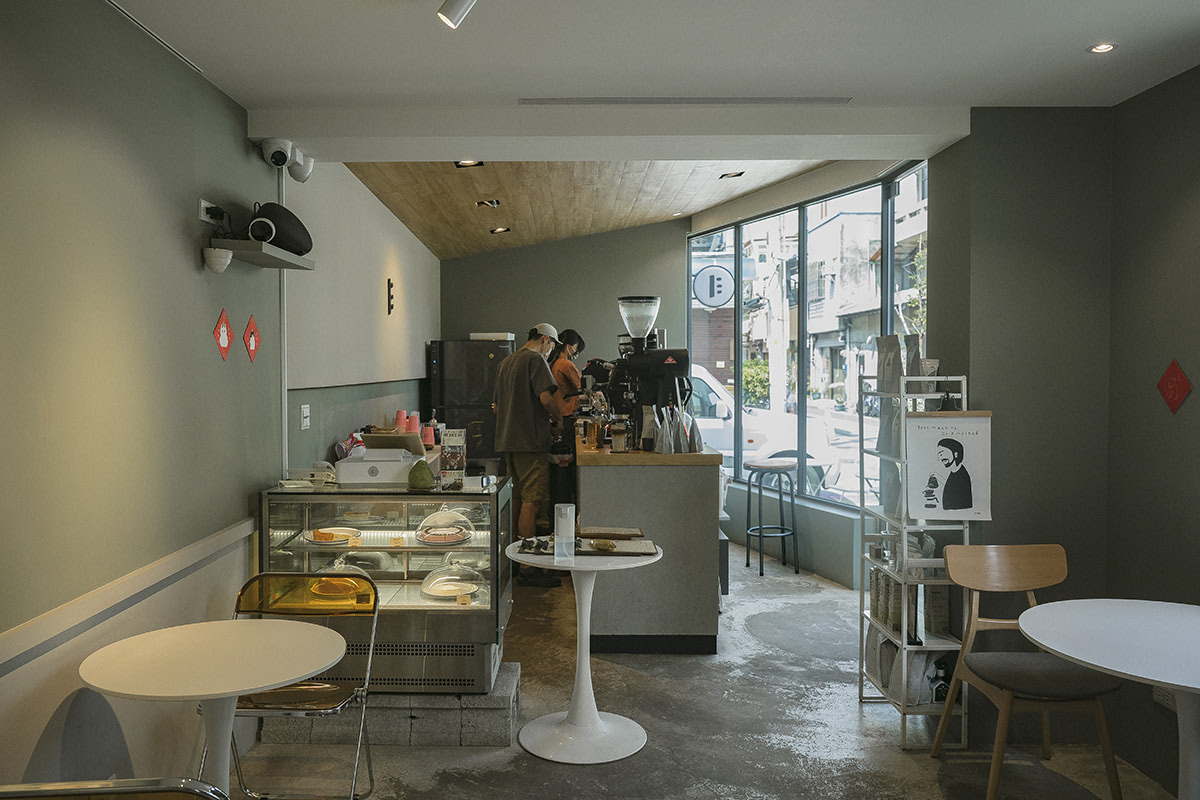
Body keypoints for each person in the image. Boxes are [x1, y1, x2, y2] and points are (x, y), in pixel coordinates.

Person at [493, 323, 564, 587]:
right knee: (531, 504)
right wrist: (558, 419)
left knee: (516, 500)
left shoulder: (506, 362)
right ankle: (528, 567)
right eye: (552, 346)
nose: (551, 351)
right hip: (531, 443)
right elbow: (546, 399)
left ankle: (513, 560)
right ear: (545, 339)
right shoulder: (536, 360)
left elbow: (496, 407)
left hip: (508, 441)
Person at [548, 330, 586, 508]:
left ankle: (556, 508)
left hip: (556, 419)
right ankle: (567, 506)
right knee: (567, 469)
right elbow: (582, 387)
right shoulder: (566, 364)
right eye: (576, 349)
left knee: (558, 468)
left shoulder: (554, 363)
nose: (576, 353)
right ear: (569, 347)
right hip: (566, 420)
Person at [936, 437, 973, 510]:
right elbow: (953, 487)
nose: (939, 459)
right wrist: (937, 476)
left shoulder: (962, 476)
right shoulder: (955, 471)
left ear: (955, 454)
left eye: (941, 454)